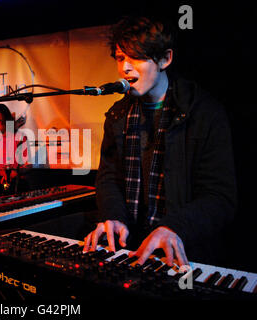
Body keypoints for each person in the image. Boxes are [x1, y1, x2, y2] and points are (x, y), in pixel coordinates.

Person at [83, 16, 237, 267]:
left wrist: (174, 227)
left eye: (137, 57)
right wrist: (113, 216)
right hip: (130, 249)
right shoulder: (117, 115)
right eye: (121, 58)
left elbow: (220, 197)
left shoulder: (204, 112)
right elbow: (108, 178)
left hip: (185, 254)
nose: (125, 68)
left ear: (165, 59)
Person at [0, 103, 30, 192]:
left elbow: (28, 165)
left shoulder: (19, 137)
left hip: (15, 182)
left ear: (7, 120)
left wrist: (16, 172)